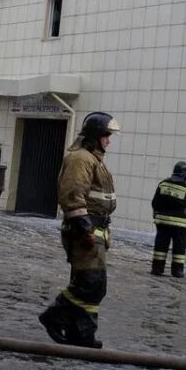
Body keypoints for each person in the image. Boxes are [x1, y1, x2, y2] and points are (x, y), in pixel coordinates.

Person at [39, 112, 119, 349]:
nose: (109, 141)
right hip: (84, 230)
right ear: (95, 136)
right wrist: (84, 227)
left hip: (95, 230)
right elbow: (72, 194)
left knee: (94, 285)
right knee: (90, 282)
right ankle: (54, 316)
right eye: (106, 135)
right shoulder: (81, 159)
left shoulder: (94, 159)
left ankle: (81, 333)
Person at [151, 161, 186, 277]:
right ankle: (177, 271)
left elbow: (155, 202)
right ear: (184, 174)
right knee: (179, 247)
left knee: (161, 246)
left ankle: (157, 269)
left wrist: (156, 214)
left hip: (162, 222)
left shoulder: (163, 184)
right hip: (179, 224)